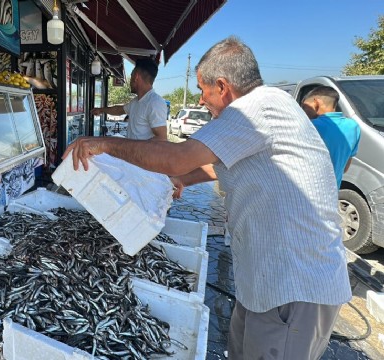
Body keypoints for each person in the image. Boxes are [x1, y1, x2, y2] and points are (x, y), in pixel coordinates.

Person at [65, 37, 351, 360]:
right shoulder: (265, 109)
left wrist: (103, 145)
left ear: (223, 86)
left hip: (294, 286)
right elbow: (220, 166)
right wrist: (182, 179)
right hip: (265, 280)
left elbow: (178, 156)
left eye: (203, 90)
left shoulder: (254, 110)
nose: (201, 101)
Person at [90, 58, 168, 141]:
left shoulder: (155, 103)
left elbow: (162, 139)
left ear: (136, 77)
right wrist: (101, 110)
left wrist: (134, 149)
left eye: (131, 76)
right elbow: (119, 110)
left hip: (141, 154)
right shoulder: (135, 101)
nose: (130, 81)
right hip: (131, 153)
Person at [301, 86, 361, 189]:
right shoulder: (353, 126)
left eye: (304, 106)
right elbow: (345, 168)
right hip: (332, 194)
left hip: (307, 194)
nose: (303, 111)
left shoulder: (310, 126)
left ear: (316, 103)